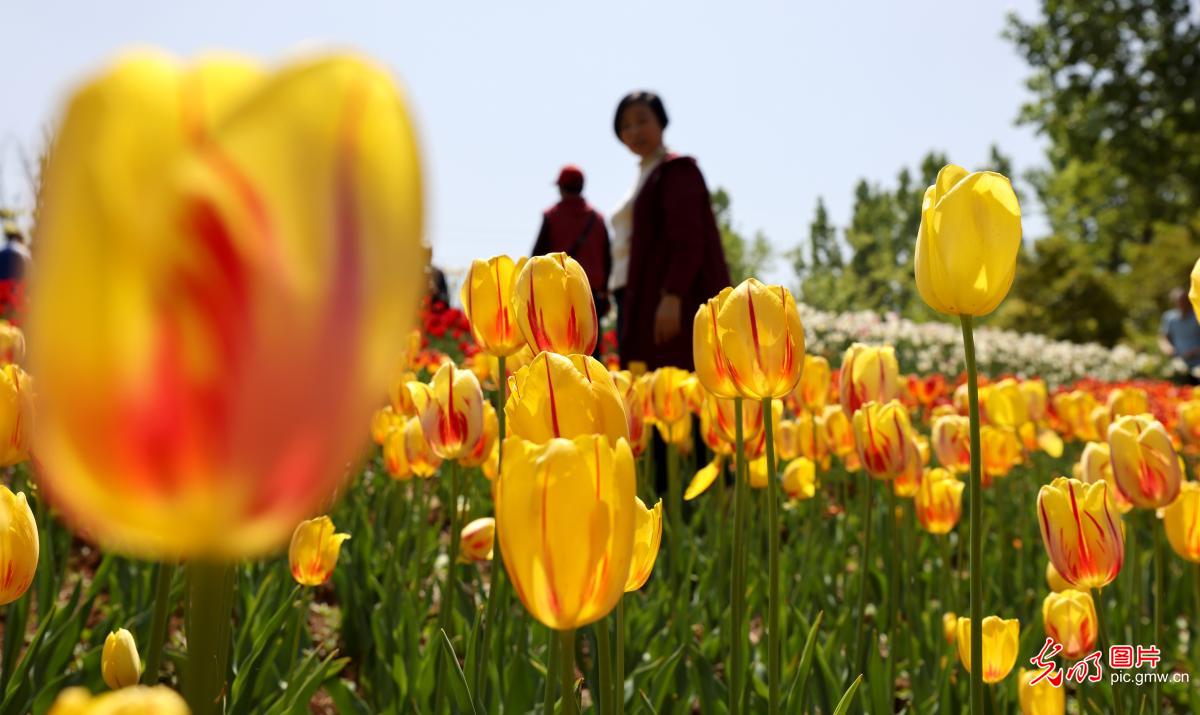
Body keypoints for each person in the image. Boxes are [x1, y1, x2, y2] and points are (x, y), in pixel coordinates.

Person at [610, 91, 730, 371]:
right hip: (635, 296)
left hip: (663, 297)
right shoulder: (645, 175)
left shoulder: (676, 171)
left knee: (671, 381)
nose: (634, 130)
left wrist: (672, 295)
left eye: (642, 120)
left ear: (661, 122)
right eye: (625, 125)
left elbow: (689, 239)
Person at [531, 165, 612, 321]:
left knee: (555, 343)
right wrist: (605, 292)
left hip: (558, 293)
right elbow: (607, 259)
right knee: (590, 344)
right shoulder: (598, 219)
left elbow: (536, 258)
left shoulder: (552, 216)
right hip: (591, 294)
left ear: (561, 188)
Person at [1159, 287, 1200, 383]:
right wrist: (1167, 347)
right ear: (1174, 302)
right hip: (1180, 365)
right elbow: (1164, 337)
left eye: (1184, 300)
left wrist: (1195, 351)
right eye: (1179, 301)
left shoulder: (1197, 315)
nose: (1182, 303)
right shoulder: (1169, 317)